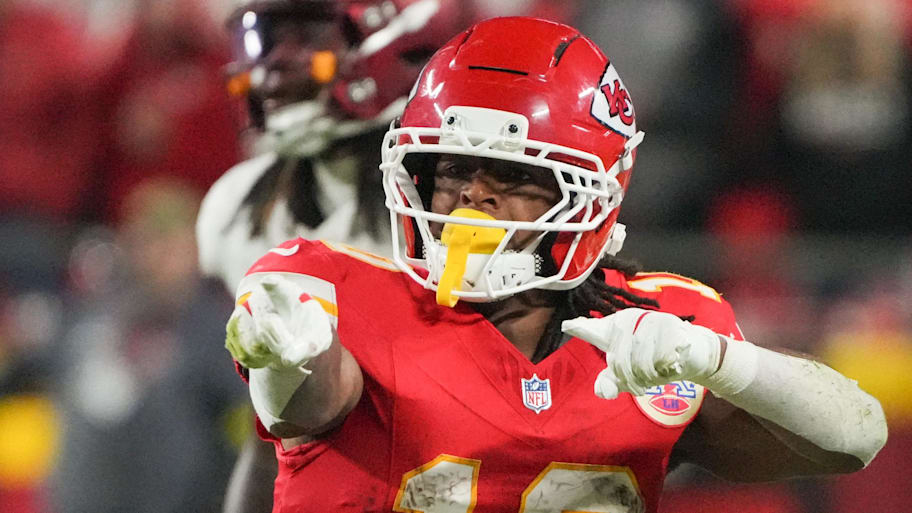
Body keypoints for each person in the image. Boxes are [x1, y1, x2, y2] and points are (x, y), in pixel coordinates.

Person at [222, 16, 888, 512]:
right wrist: (287, 360)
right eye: (451, 167)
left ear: (594, 195)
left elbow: (854, 438)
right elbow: (301, 405)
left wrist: (720, 361)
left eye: (513, 174)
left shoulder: (651, 331)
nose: (473, 195)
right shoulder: (329, 290)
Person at [194, 1, 476, 511]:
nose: (275, 63)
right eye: (266, 38)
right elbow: (274, 436)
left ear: (394, 37)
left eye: (307, 35)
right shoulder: (240, 209)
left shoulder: (457, 205)